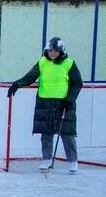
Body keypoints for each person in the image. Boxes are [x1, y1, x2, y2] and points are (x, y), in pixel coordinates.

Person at [7, 36, 83, 174]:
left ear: (61, 51)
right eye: (50, 50)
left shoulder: (69, 63)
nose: (52, 53)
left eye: (55, 51)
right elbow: (31, 76)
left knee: (67, 133)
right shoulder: (42, 62)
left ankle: (73, 161)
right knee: (46, 132)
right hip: (45, 102)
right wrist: (18, 83)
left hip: (64, 103)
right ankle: (46, 159)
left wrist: (70, 99)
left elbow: (77, 83)